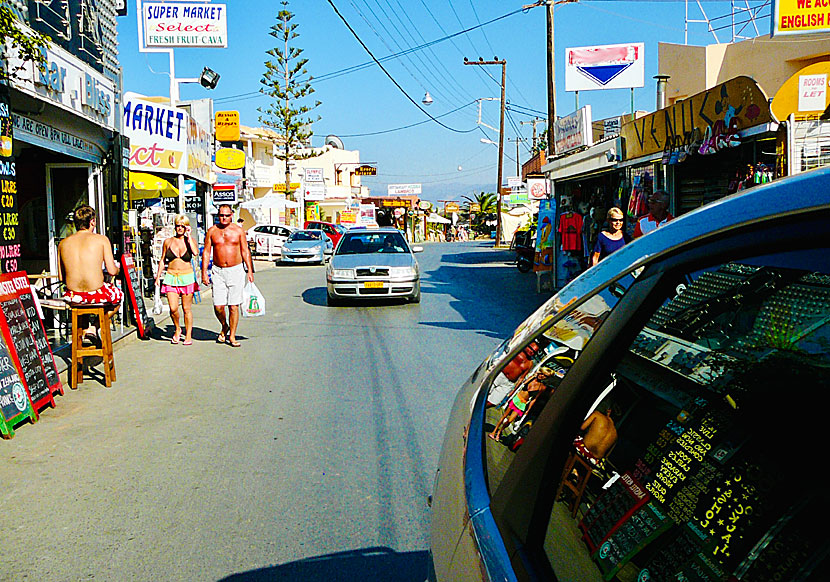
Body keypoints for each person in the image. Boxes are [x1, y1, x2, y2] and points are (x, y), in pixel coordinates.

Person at [58, 205, 123, 342]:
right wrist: (118, 269)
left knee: (82, 304)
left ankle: (82, 334)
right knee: (118, 298)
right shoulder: (101, 240)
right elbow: (111, 270)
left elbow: (61, 277)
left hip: (73, 296)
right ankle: (93, 328)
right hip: (95, 292)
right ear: (92, 221)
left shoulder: (63, 244)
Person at [201, 204, 254, 347]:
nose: (224, 218)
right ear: (217, 216)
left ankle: (232, 336)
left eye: (227, 215)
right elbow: (206, 252)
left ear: (232, 215)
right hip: (218, 271)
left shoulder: (238, 231)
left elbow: (245, 251)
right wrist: (204, 272)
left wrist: (249, 270)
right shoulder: (212, 231)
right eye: (221, 215)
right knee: (218, 306)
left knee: (233, 306)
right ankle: (224, 325)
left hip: (236, 270)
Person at [155, 215, 199, 345]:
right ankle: (178, 328)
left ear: (186, 227)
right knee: (173, 308)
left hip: (187, 277)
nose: (180, 228)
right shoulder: (168, 242)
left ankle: (188, 335)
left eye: (182, 226)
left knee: (186, 309)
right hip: (171, 276)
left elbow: (195, 253)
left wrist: (189, 237)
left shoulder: (190, 241)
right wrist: (158, 276)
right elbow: (163, 260)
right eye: (178, 226)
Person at [489, 367, 554, 442]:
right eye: (542, 373)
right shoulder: (532, 378)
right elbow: (524, 383)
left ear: (547, 378)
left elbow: (534, 399)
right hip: (517, 399)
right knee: (504, 416)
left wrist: (528, 410)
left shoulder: (542, 387)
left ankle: (499, 432)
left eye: (545, 375)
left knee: (510, 420)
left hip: (522, 404)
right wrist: (534, 376)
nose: (542, 376)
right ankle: (494, 431)